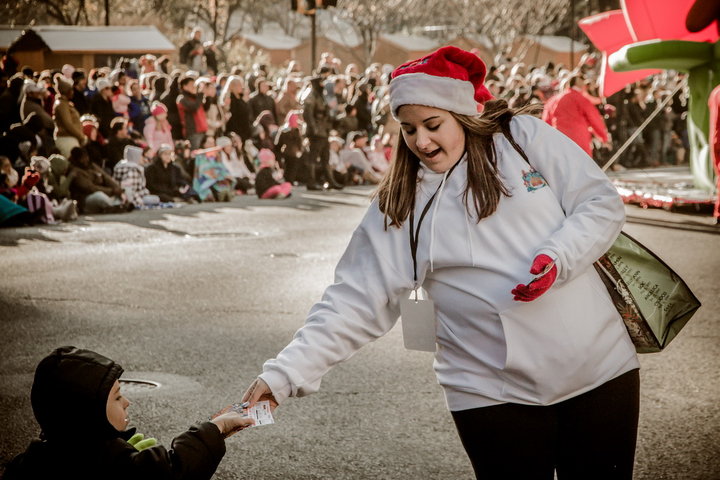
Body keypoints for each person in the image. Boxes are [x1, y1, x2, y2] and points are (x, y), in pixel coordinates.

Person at [242, 46, 640, 479]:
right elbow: (353, 299)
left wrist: (560, 257)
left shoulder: (522, 139)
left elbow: (599, 204)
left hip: (599, 371)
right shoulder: (401, 201)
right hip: (488, 392)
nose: (421, 141)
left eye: (433, 125)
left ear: (462, 114)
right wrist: (282, 377)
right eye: (408, 129)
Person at [3, 346, 253, 479]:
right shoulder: (110, 464)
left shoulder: (32, 460)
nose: (127, 402)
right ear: (88, 413)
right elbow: (175, 470)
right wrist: (216, 428)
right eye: (117, 397)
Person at [542, 75, 610, 157]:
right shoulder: (580, 98)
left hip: (559, 139)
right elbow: (594, 118)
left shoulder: (553, 100)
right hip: (579, 140)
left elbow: (546, 122)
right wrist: (603, 137)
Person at [52, 76, 87, 157]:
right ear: (66, 91)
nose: (73, 92)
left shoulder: (65, 103)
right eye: (71, 90)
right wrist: (81, 137)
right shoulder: (61, 105)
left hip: (71, 138)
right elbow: (68, 124)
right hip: (66, 139)